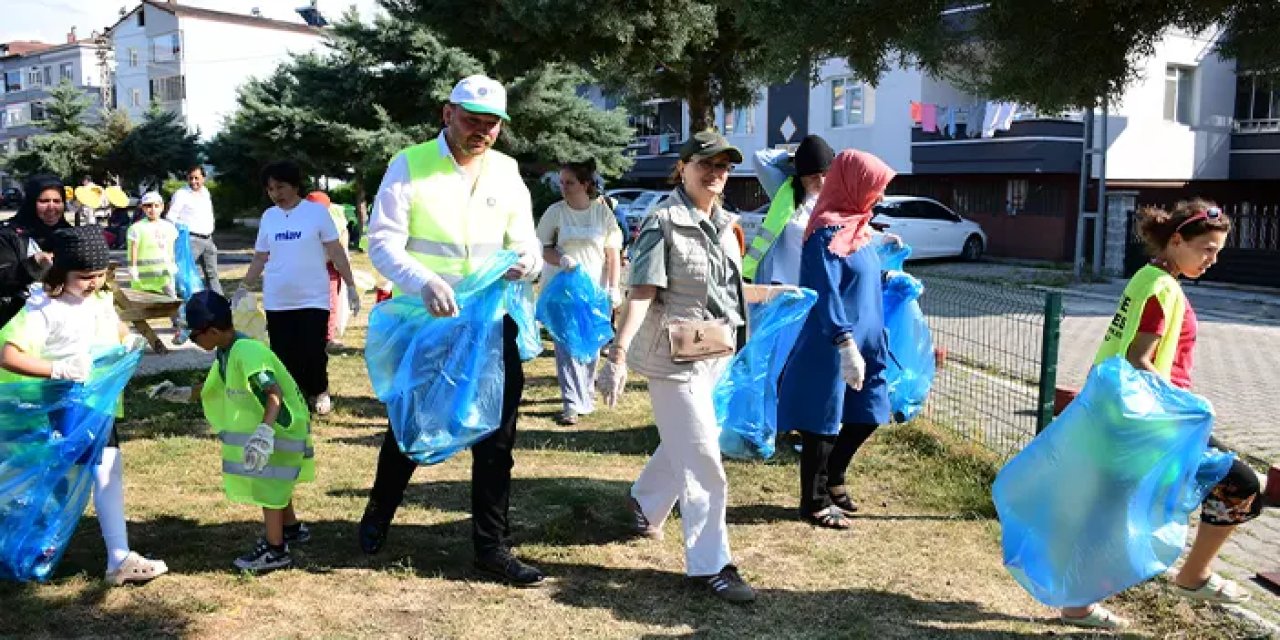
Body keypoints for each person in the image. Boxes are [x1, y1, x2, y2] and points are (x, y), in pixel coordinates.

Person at [358, 74, 546, 587]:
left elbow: (526, 243)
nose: (480, 133)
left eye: (491, 125)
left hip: (491, 323)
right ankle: (379, 513)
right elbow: (382, 243)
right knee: (411, 425)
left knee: (497, 439)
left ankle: (492, 545)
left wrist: (526, 263)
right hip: (430, 322)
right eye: (471, 121)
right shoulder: (410, 164)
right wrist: (424, 282)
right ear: (447, 114)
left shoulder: (506, 172)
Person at [1060, 200, 1259, 630]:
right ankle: (1192, 576)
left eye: (1218, 252)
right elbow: (1137, 359)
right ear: (1176, 240)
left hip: (1129, 420)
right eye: (1207, 248)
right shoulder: (1162, 288)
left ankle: (1078, 605)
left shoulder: (1150, 278)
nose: (1213, 260)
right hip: (1150, 422)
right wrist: (1189, 406)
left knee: (1109, 509)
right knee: (1240, 483)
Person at [596, 130, 756, 603]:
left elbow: (728, 291)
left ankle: (644, 503)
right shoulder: (661, 222)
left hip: (717, 354)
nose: (715, 173)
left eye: (723, 166)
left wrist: (772, 300)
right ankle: (712, 565)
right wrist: (618, 352)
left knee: (687, 438)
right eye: (705, 163)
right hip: (673, 359)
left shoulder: (729, 224)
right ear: (682, 168)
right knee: (705, 458)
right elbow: (642, 293)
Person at [0, 226, 167, 586]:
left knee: (107, 471)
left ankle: (117, 558)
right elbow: (8, 354)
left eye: (99, 275)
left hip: (99, 407)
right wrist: (57, 368)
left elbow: (114, 329)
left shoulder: (99, 302)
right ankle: (40, 545)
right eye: (83, 277)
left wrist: (128, 340)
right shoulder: (44, 311)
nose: (92, 283)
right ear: (60, 272)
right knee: (67, 480)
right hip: (66, 408)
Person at [777, 149, 896, 531]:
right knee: (823, 419)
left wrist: (891, 281)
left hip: (870, 340)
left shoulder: (859, 229)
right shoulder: (824, 230)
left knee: (870, 411)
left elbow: (860, 279)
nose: (877, 196)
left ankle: (835, 475)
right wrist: (844, 341)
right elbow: (824, 290)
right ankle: (813, 501)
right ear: (853, 183)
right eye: (874, 187)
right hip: (834, 340)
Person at [173, 290, 315, 573]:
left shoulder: (247, 352)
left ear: (211, 331)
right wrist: (180, 393)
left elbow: (272, 393)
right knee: (275, 484)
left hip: (278, 432)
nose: (192, 341)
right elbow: (215, 386)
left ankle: (276, 550)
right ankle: (290, 528)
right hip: (275, 430)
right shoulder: (226, 351)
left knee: (268, 489)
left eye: (194, 336)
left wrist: (264, 434)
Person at [239, 162, 360, 417]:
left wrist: (350, 285)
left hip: (312, 297)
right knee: (283, 353)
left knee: (312, 350)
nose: (275, 193)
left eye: (280, 186)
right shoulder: (269, 217)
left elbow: (336, 251)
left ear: (294, 185)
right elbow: (260, 256)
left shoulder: (316, 214)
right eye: (270, 189)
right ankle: (293, 396)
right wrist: (243, 287)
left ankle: (320, 390)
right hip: (278, 298)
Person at [536, 158, 624, 425]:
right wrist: (561, 259)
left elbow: (612, 253)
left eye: (570, 182)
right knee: (566, 345)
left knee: (591, 345)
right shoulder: (556, 212)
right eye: (561, 182)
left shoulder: (602, 213)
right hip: (563, 289)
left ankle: (586, 393)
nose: (564, 187)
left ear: (585, 184)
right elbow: (540, 246)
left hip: (594, 290)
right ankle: (571, 403)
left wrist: (613, 287)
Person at [747, 135, 835, 285]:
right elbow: (760, 158)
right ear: (800, 176)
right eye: (813, 177)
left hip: (818, 287)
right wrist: (794, 157)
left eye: (825, 175)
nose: (820, 182)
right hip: (782, 288)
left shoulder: (835, 199)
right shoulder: (786, 192)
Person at [0, 175, 66, 328]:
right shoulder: (8, 234)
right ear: (30, 202)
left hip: (61, 324)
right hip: (16, 321)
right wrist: (32, 265)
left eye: (57, 201)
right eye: (43, 201)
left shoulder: (71, 234)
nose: (51, 207)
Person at [302, 191, 352, 350]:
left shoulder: (331, 221)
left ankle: (324, 337)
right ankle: (322, 338)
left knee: (329, 303)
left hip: (328, 269)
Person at [168, 166, 222, 295]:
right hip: (190, 240)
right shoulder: (181, 194)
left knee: (212, 274)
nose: (193, 181)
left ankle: (220, 305)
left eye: (196, 178)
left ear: (203, 178)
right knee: (184, 275)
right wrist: (181, 230)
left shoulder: (206, 192)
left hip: (208, 239)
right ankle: (182, 305)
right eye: (190, 178)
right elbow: (171, 217)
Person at [126, 192, 178, 297]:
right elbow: (134, 248)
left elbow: (172, 248)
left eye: (156, 206)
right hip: (143, 279)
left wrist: (173, 265)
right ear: (143, 208)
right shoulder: (136, 228)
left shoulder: (169, 227)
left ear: (162, 207)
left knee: (169, 304)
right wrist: (133, 267)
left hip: (165, 277)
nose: (152, 209)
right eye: (148, 206)